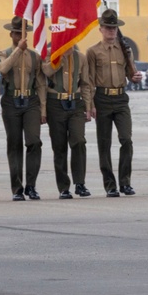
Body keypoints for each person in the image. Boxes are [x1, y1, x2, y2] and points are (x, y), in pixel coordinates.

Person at [87, 9, 144, 197]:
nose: (111, 31)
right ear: (101, 28)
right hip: (102, 98)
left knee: (126, 140)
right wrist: (90, 104)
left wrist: (135, 77)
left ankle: (125, 182)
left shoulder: (125, 49)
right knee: (104, 144)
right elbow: (88, 80)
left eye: (114, 28)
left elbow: (131, 73)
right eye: (108, 27)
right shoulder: (93, 52)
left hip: (120, 98)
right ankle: (110, 184)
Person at [0, 16, 47, 201]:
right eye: (17, 33)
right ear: (11, 34)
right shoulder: (4, 53)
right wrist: (19, 50)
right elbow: (2, 69)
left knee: (34, 142)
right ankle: (17, 188)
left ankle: (31, 185)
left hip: (31, 101)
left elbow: (41, 84)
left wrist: (43, 110)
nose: (19, 36)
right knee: (14, 144)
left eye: (22, 33)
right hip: (11, 101)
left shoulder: (34, 56)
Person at [43, 45, 92, 198]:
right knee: (59, 146)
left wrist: (88, 107)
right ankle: (63, 187)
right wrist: (59, 57)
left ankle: (80, 183)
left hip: (76, 104)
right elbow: (47, 71)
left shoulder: (81, 57)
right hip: (55, 103)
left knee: (78, 141)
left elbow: (85, 84)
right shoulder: (50, 54)